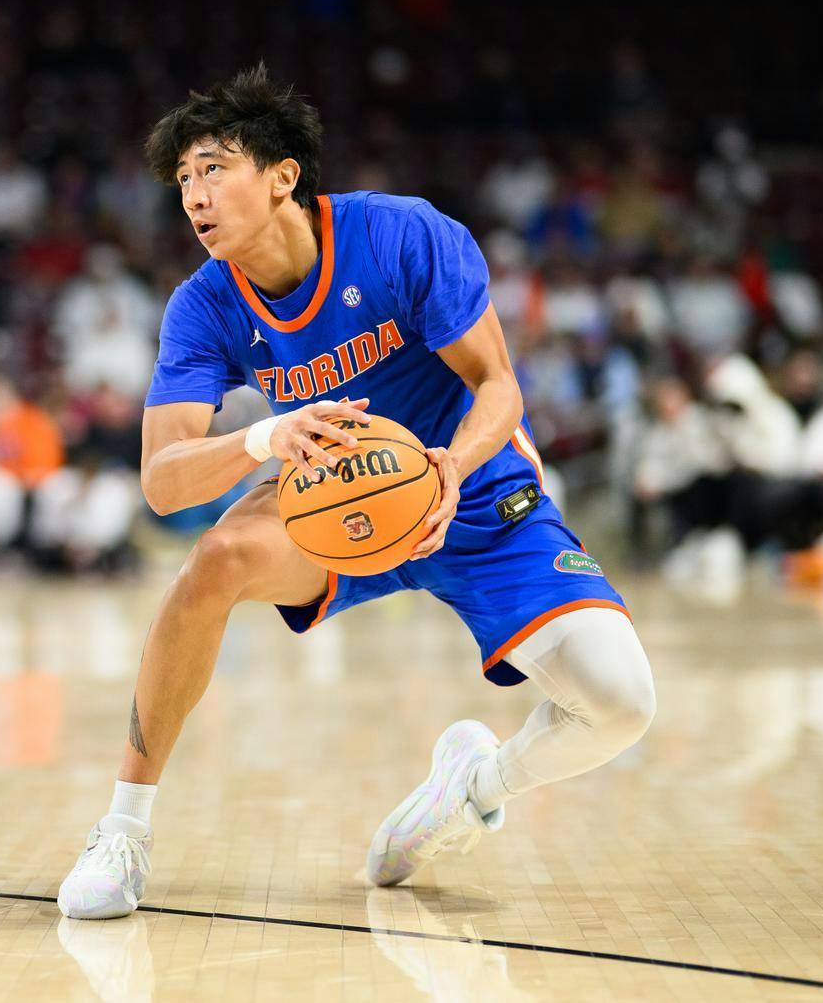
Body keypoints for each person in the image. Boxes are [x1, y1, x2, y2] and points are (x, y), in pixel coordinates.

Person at [56, 65, 655, 918]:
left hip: (471, 487)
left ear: (283, 174)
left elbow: (499, 389)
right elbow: (161, 478)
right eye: (184, 178)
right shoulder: (204, 305)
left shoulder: (401, 235)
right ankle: (124, 828)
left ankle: (473, 782)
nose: (195, 194)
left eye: (214, 167)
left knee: (622, 703)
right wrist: (263, 435)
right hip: (334, 491)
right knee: (217, 556)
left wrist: (449, 466)